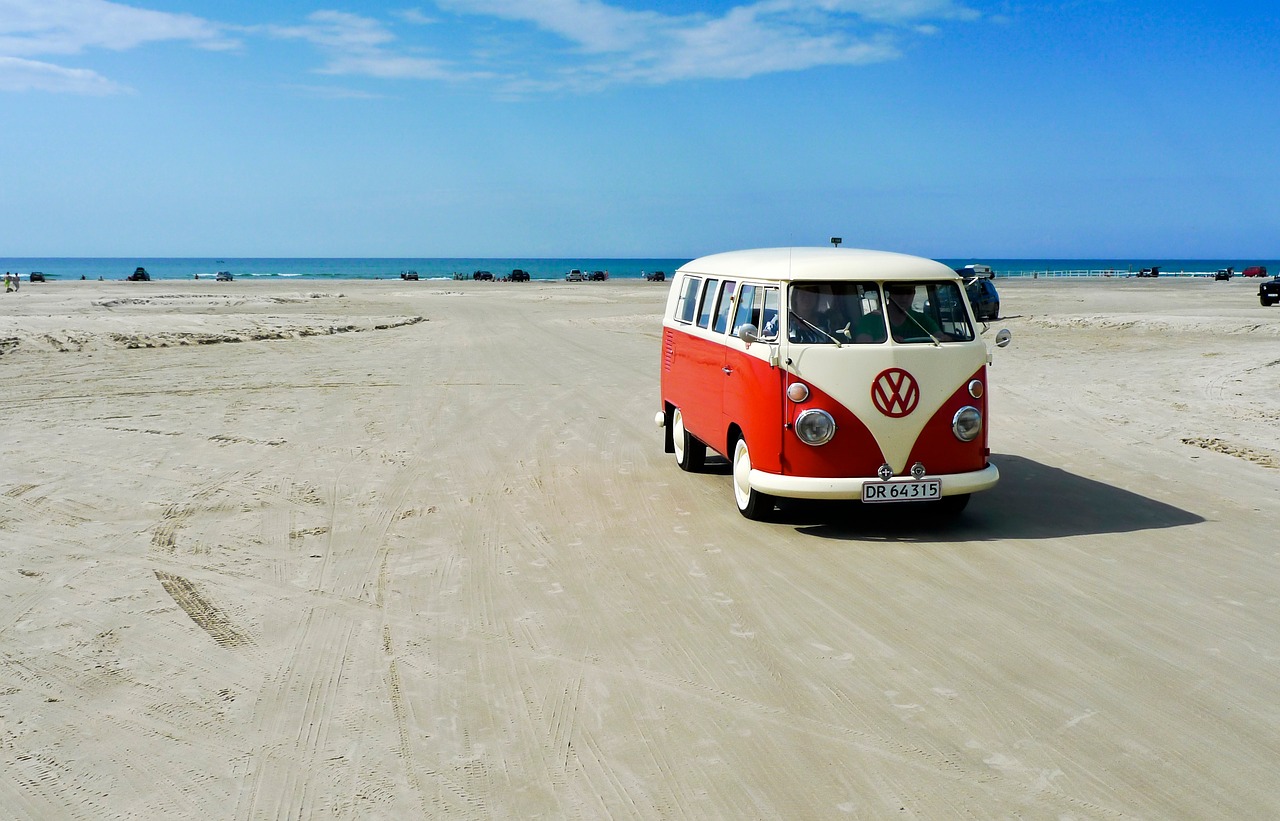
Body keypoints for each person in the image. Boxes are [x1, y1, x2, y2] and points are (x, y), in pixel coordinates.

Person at [856, 284, 949, 343]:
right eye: (899, 292)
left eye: (909, 292)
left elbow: (939, 337)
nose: (904, 297)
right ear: (889, 294)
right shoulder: (870, 320)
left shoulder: (922, 320)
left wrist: (945, 339)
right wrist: (888, 341)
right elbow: (863, 345)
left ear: (914, 294)